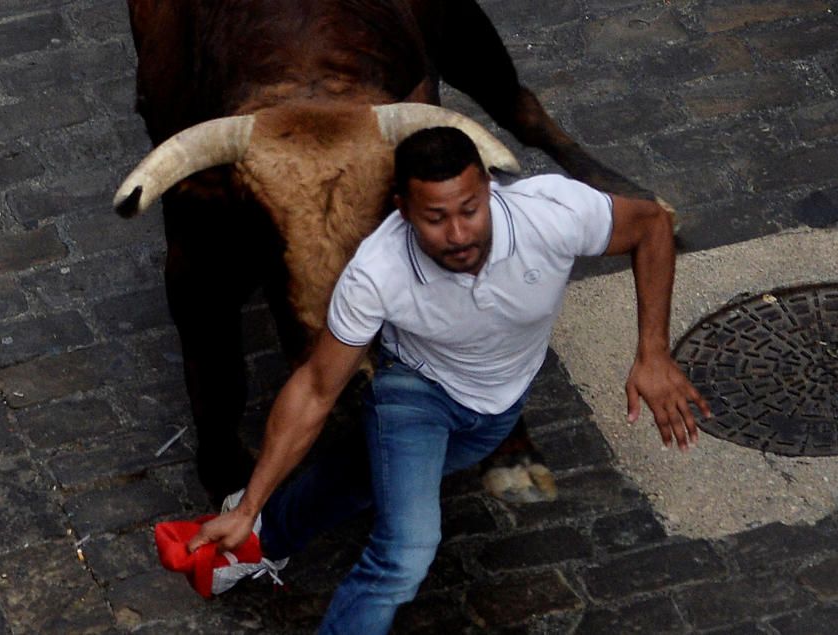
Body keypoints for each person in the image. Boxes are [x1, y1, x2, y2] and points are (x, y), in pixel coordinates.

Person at [185, 127, 712, 633]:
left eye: (470, 209)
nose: (459, 234)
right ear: (403, 210)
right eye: (435, 218)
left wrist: (653, 353)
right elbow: (316, 389)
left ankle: (260, 534)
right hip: (415, 393)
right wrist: (253, 497)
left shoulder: (551, 213)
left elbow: (651, 227)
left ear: (488, 188)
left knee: (367, 476)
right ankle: (255, 522)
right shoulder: (377, 272)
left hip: (496, 409)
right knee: (405, 555)